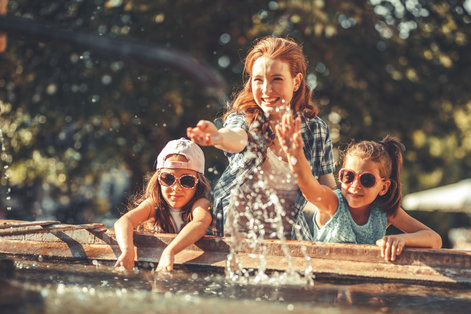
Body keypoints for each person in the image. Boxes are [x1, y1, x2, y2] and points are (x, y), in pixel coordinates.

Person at [187, 36, 336, 241]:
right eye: (258, 79)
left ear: (296, 81)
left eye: (276, 79)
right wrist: (217, 137)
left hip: (289, 237)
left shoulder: (315, 129)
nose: (266, 89)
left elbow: (330, 192)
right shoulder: (244, 120)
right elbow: (237, 139)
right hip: (232, 236)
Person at [276, 114, 442, 261]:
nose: (355, 185)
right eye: (348, 176)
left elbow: (435, 240)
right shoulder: (333, 204)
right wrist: (296, 156)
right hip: (326, 286)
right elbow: (309, 187)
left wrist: (402, 240)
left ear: (384, 187)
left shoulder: (384, 212)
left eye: (367, 180)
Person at [114, 138, 212, 271]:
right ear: (158, 180)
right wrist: (127, 250)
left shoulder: (200, 204)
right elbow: (124, 222)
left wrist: (170, 251)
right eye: (168, 179)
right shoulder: (154, 205)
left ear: (198, 183)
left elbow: (200, 223)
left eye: (186, 180)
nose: (176, 188)